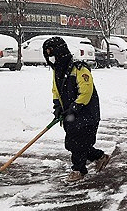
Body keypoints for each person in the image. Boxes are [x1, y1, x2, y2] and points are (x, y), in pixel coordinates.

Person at [43, 36, 110, 182]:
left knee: (78, 144)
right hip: (71, 115)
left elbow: (86, 91)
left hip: (87, 114)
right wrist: (58, 107)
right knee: (74, 144)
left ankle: (78, 170)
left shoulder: (79, 68)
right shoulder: (57, 71)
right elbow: (56, 90)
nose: (52, 59)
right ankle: (99, 157)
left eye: (53, 55)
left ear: (60, 53)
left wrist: (74, 107)